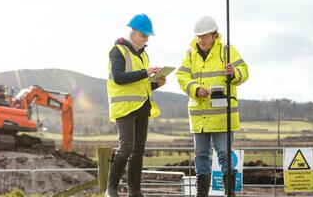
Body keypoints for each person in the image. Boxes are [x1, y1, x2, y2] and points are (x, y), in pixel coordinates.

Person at [176, 16, 249, 197]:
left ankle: (229, 193)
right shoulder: (190, 54)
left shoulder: (227, 51)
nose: (201, 40)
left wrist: (235, 73)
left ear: (215, 35)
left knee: (224, 154)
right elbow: (181, 76)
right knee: (200, 155)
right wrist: (196, 88)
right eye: (199, 36)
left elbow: (245, 71)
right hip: (199, 116)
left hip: (222, 116)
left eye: (205, 36)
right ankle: (202, 194)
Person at [106, 13, 166, 197]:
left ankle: (135, 191)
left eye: (148, 35)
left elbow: (142, 85)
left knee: (138, 150)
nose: (146, 39)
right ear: (132, 32)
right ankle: (111, 190)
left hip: (142, 107)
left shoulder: (144, 55)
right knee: (126, 147)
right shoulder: (118, 50)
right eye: (143, 35)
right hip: (124, 109)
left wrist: (156, 83)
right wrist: (145, 73)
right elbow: (119, 77)